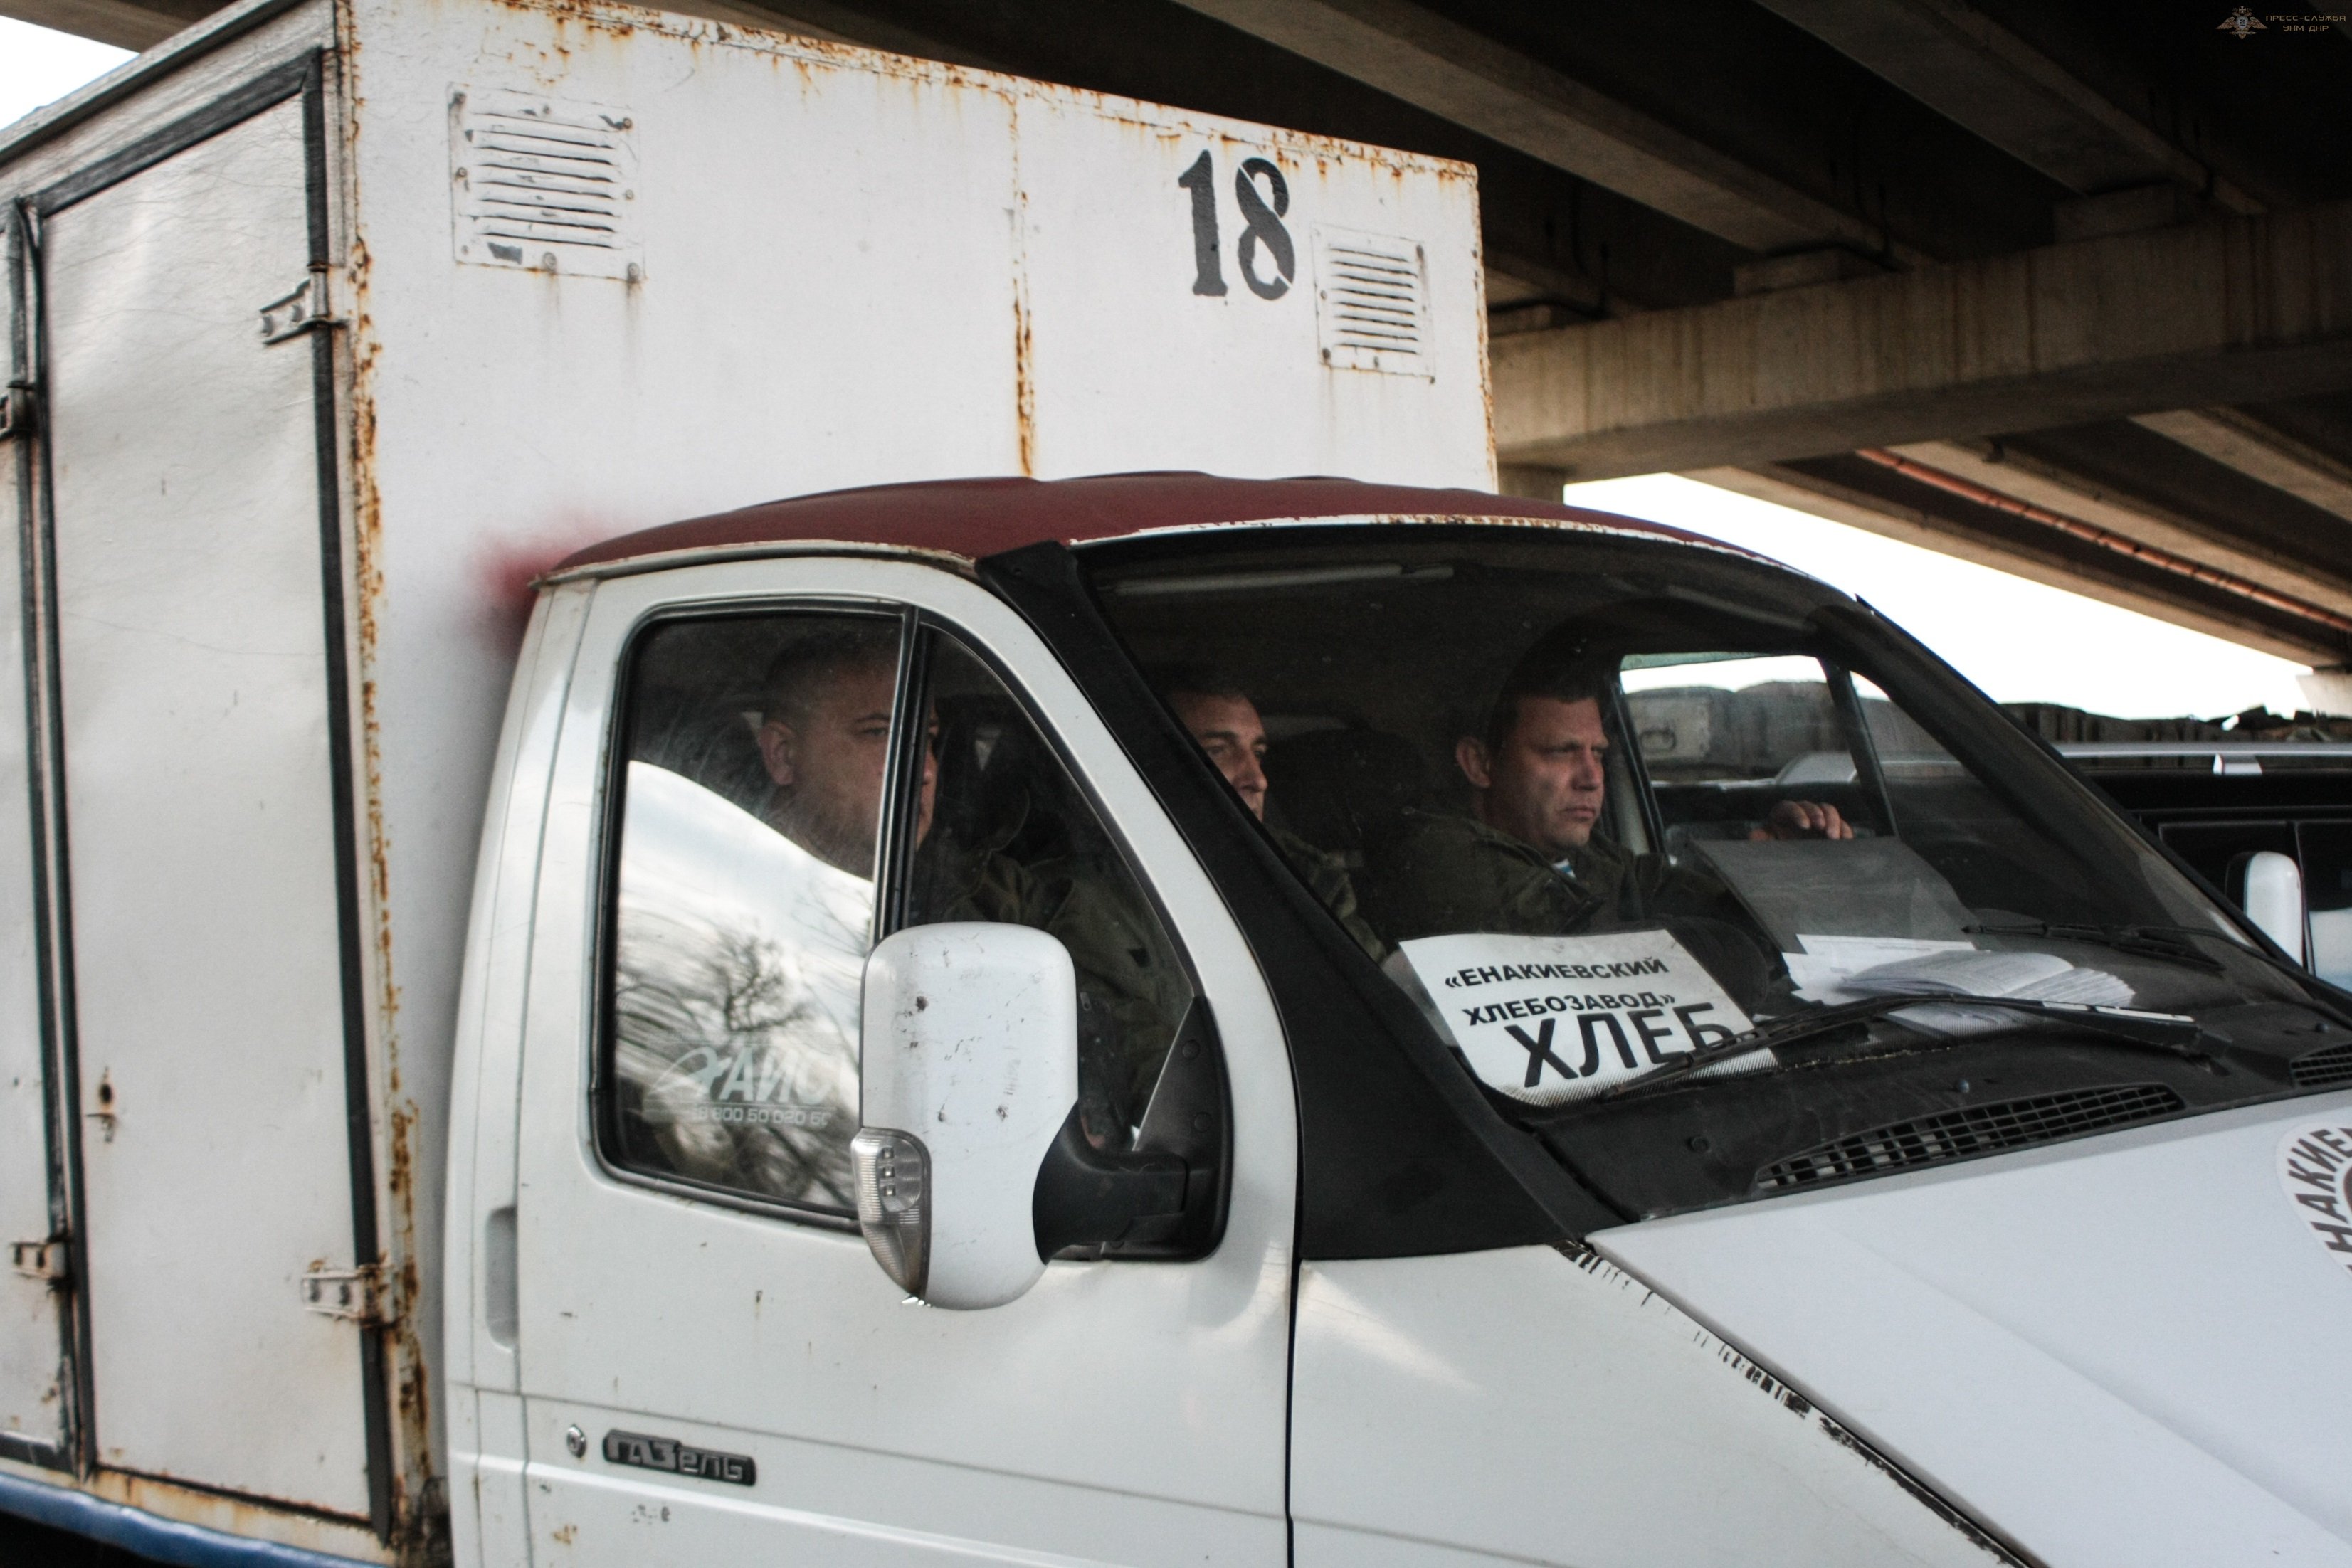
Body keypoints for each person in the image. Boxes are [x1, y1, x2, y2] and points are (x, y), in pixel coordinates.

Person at [1359, 642, 1846, 945]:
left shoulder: (1588, 856)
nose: (1592, 778)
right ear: (1480, 764)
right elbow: (1603, 949)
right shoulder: (1436, 857)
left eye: (1597, 753)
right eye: (1560, 752)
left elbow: (1680, 898)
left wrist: (1775, 865)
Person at [1159, 668, 1387, 963]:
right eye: (1217, 751)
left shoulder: (1306, 876)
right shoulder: (1111, 890)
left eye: (1258, 754)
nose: (1258, 780)